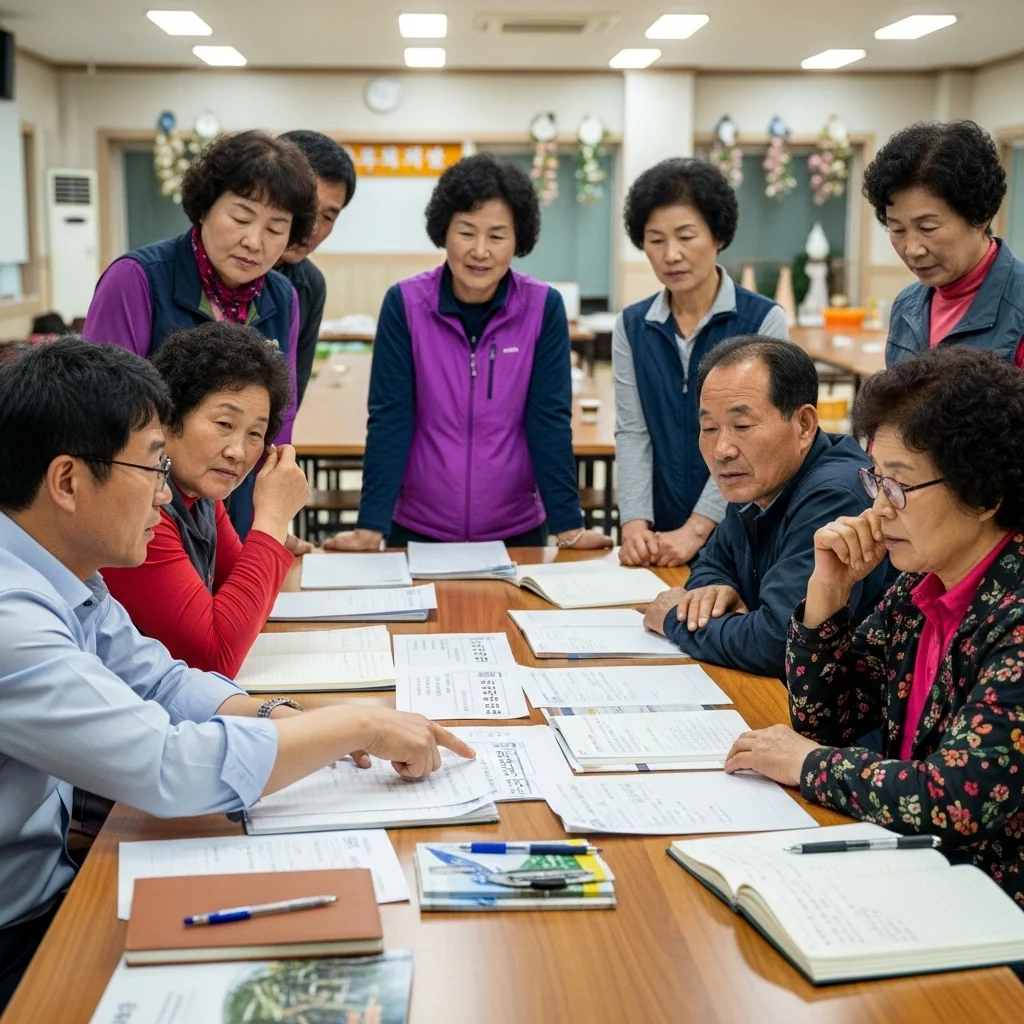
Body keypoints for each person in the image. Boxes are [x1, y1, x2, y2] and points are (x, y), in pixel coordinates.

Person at [0, 339, 474, 1010]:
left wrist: (285, 718)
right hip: (18, 933)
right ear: (69, 481)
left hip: (53, 881)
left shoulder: (64, 571)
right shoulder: (10, 616)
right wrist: (354, 723)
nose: (165, 494)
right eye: (151, 466)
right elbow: (163, 766)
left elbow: (162, 681)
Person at [724, 346, 1024, 909]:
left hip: (992, 910)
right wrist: (827, 594)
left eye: (899, 486)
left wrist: (807, 763)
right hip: (913, 873)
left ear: (984, 495)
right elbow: (828, 720)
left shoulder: (1015, 612)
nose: (879, 511)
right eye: (875, 480)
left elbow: (954, 799)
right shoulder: (919, 586)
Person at [324, 153, 611, 551]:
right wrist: (370, 527)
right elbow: (390, 418)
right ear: (444, 231)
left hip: (516, 531)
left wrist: (569, 526)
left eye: (496, 236)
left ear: (518, 239)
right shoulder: (405, 305)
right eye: (466, 232)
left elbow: (550, 420)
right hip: (418, 526)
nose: (480, 250)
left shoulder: (543, 308)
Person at [82, 129, 318, 539]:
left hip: (240, 513)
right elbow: (100, 415)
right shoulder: (136, 280)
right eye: (241, 218)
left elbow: (282, 415)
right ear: (205, 206)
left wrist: (272, 521)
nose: (254, 241)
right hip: (151, 517)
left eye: (276, 228)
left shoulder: (284, 295)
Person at [643, 336, 889, 678]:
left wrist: (676, 620)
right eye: (709, 428)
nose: (721, 450)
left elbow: (779, 642)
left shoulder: (836, 495)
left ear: (804, 425)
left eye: (742, 426)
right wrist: (715, 590)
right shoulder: (757, 479)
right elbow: (712, 561)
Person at [101, 322, 309, 677]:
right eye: (224, 424)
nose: (237, 452)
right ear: (170, 417)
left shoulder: (201, 496)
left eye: (255, 434)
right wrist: (272, 520)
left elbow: (244, 602)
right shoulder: (139, 508)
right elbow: (216, 656)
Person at [616, 158, 789, 570]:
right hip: (662, 537)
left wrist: (697, 529)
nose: (670, 254)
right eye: (655, 240)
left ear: (718, 236)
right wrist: (634, 525)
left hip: (746, 534)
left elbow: (758, 442)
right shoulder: (633, 324)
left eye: (686, 236)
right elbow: (633, 432)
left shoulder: (763, 320)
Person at [862, 120, 1024, 367]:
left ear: (980, 216)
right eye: (897, 229)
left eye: (928, 228)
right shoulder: (906, 307)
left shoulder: (1018, 304)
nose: (912, 249)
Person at [276, 130, 357, 404]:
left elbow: (292, 391)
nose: (311, 229)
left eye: (327, 216)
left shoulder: (309, 285)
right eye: (305, 207)